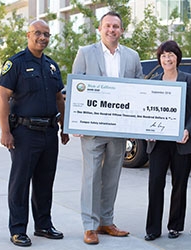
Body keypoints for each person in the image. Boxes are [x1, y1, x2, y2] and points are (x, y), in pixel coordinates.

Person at [72, 11, 143, 245]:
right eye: (108, 26)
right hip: (92, 129)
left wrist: (138, 124)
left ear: (121, 30)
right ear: (100, 29)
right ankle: (90, 226)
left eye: (116, 27)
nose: (112, 30)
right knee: (91, 177)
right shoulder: (85, 53)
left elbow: (139, 91)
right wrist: (75, 121)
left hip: (119, 129)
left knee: (112, 176)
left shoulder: (132, 57)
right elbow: (75, 87)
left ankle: (106, 221)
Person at [0, 20, 69, 247]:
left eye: (46, 34)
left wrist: (64, 127)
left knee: (44, 182)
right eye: (38, 33)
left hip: (49, 132)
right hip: (24, 133)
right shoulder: (15, 63)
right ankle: (18, 229)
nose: (43, 38)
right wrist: (5, 132)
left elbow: (59, 98)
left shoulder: (51, 66)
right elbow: (2, 97)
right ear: (28, 35)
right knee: (20, 183)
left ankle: (43, 225)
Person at [144, 40, 191, 241]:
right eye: (163, 55)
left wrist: (188, 129)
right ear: (159, 59)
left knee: (180, 185)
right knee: (155, 185)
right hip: (158, 142)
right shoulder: (153, 83)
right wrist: (147, 130)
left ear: (177, 58)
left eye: (170, 55)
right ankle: (153, 228)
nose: (167, 59)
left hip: (182, 141)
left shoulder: (190, 80)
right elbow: (146, 112)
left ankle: (175, 226)